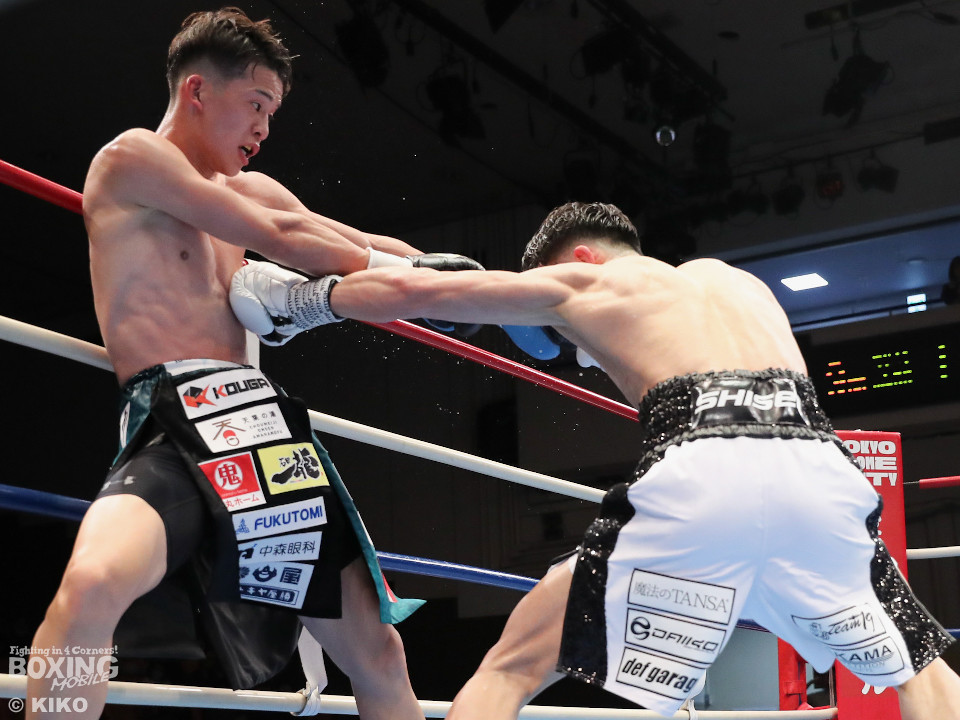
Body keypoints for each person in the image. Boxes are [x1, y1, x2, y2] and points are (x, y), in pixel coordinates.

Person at [230, 201, 960, 720]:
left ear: (578, 256)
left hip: (706, 465)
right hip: (821, 470)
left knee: (510, 669)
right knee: (921, 665)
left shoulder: (584, 281)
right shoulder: (737, 283)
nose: (574, 348)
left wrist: (304, 299)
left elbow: (414, 289)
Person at [27, 8, 481, 719]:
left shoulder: (250, 189)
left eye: (272, 112)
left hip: (261, 430)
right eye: (256, 104)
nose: (264, 128)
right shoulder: (130, 160)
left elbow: (336, 234)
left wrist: (456, 283)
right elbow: (282, 235)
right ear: (198, 90)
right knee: (91, 587)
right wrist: (414, 281)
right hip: (172, 421)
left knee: (379, 652)